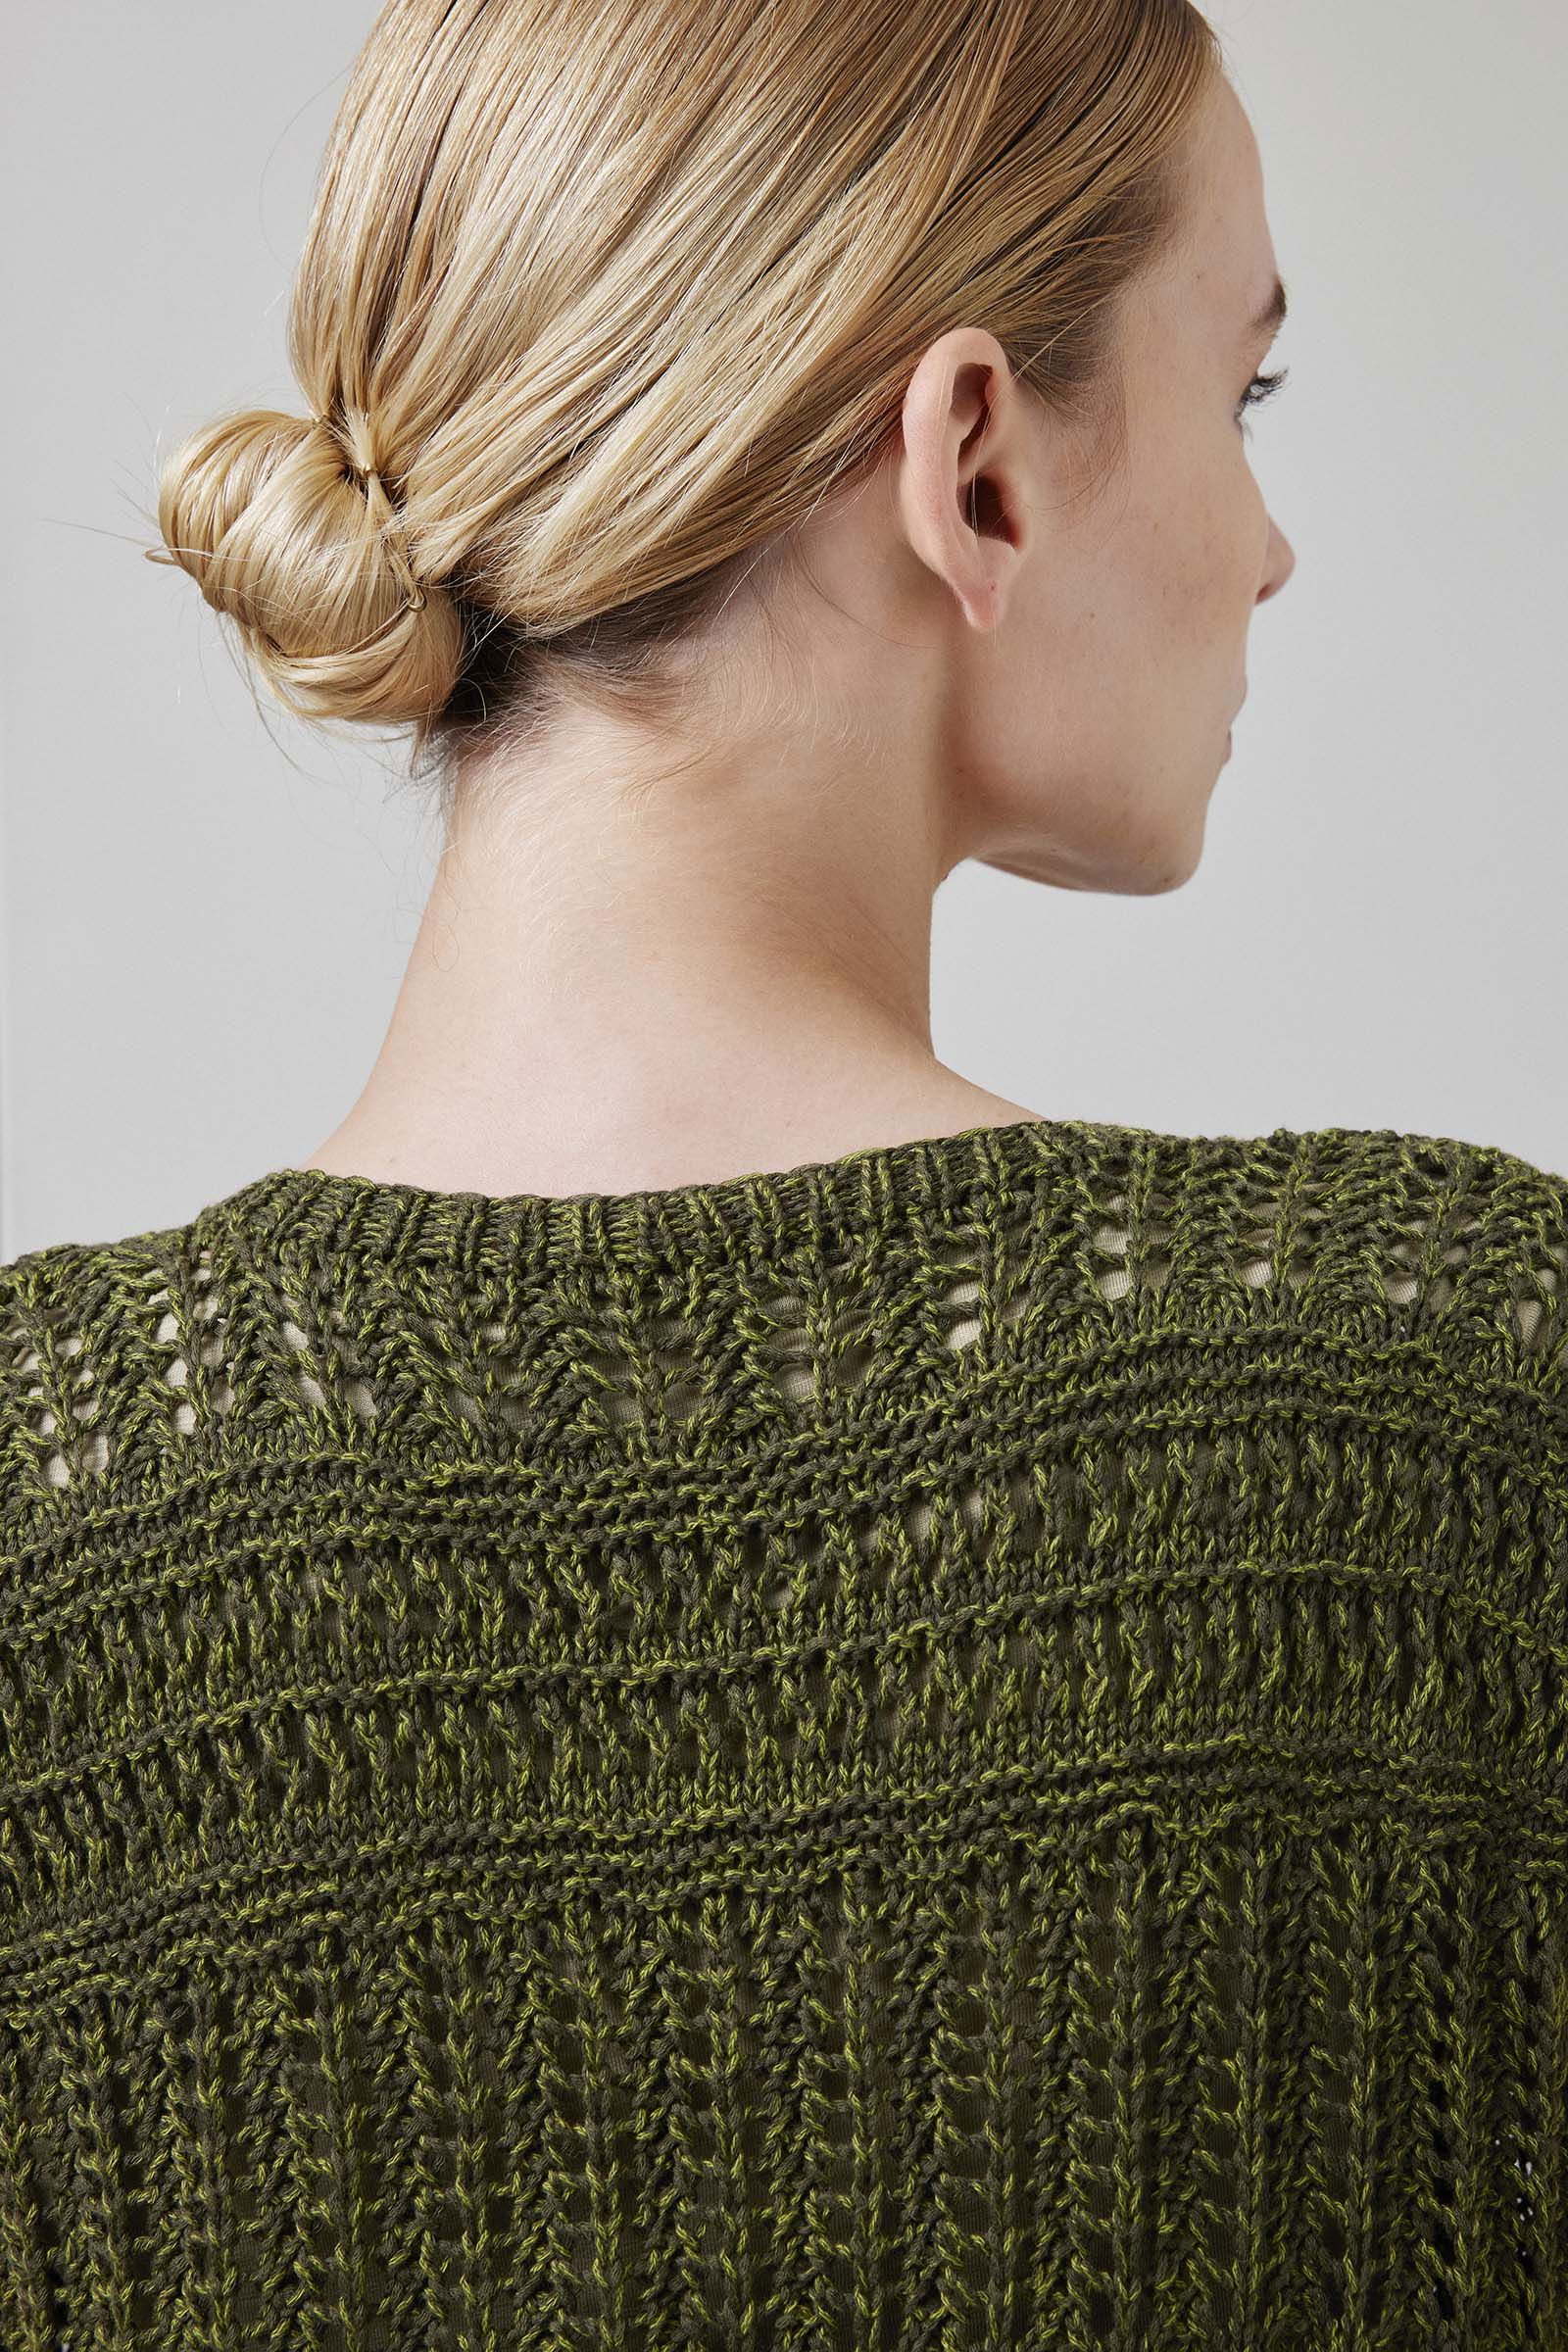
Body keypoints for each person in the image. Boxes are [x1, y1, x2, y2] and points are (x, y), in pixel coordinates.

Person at [2, 0, 1563, 2341]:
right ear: (973, 465)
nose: (1267, 550)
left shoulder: (48, 1517)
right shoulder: (1450, 1407)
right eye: (1240, 396)